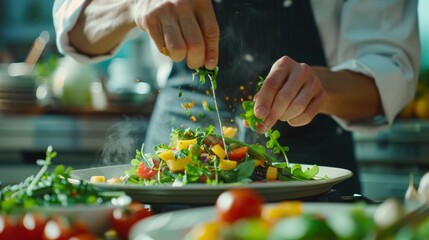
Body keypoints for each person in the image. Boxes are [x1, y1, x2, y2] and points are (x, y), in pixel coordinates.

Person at [53, 0, 420, 196]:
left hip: (309, 172)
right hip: (171, 172)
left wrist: (320, 87)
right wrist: (134, 4)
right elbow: (74, 29)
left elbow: (390, 73)